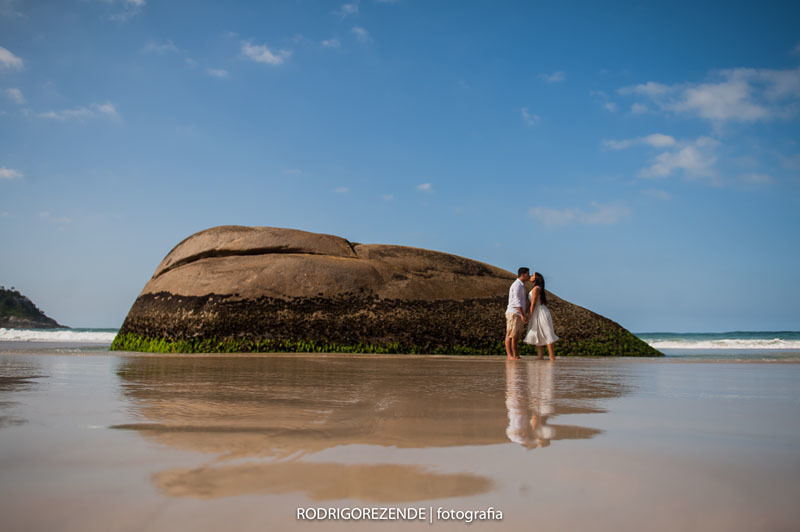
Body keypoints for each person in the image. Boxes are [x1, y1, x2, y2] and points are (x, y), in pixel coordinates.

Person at [523, 272, 559, 361]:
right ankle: (540, 355)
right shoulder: (535, 288)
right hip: (537, 311)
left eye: (533, 275)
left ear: (536, 278)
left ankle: (552, 357)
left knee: (547, 333)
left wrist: (530, 315)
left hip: (540, 311)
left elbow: (533, 303)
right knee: (537, 333)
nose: (531, 276)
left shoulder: (536, 288)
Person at [505, 267, 530, 360]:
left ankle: (515, 354)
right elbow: (517, 301)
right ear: (523, 275)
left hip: (518, 313)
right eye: (528, 274)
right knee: (511, 334)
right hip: (514, 312)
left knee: (515, 335)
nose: (529, 276)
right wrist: (523, 315)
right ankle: (511, 355)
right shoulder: (517, 285)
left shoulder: (521, 285)